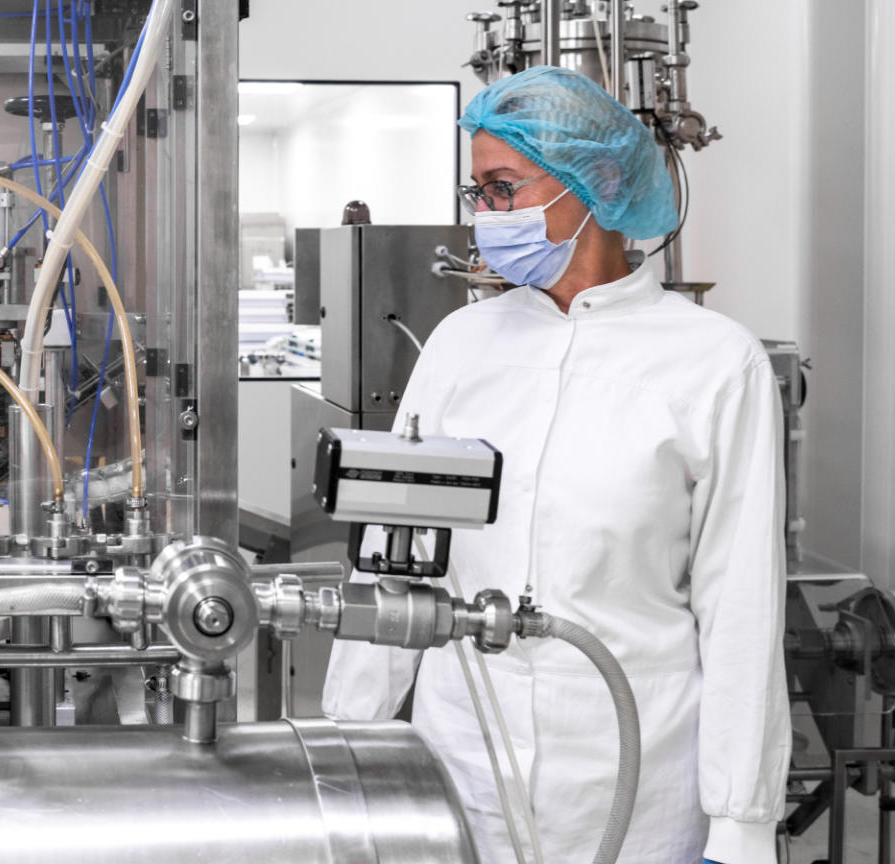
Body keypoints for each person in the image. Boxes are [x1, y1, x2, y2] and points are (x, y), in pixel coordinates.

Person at [322, 66, 788, 864]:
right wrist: (346, 742)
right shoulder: (462, 347)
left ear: (598, 182)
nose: (486, 220)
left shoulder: (714, 362)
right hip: (462, 761)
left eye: (504, 190)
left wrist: (740, 825)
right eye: (478, 196)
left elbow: (739, 605)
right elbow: (394, 557)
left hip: (632, 776)